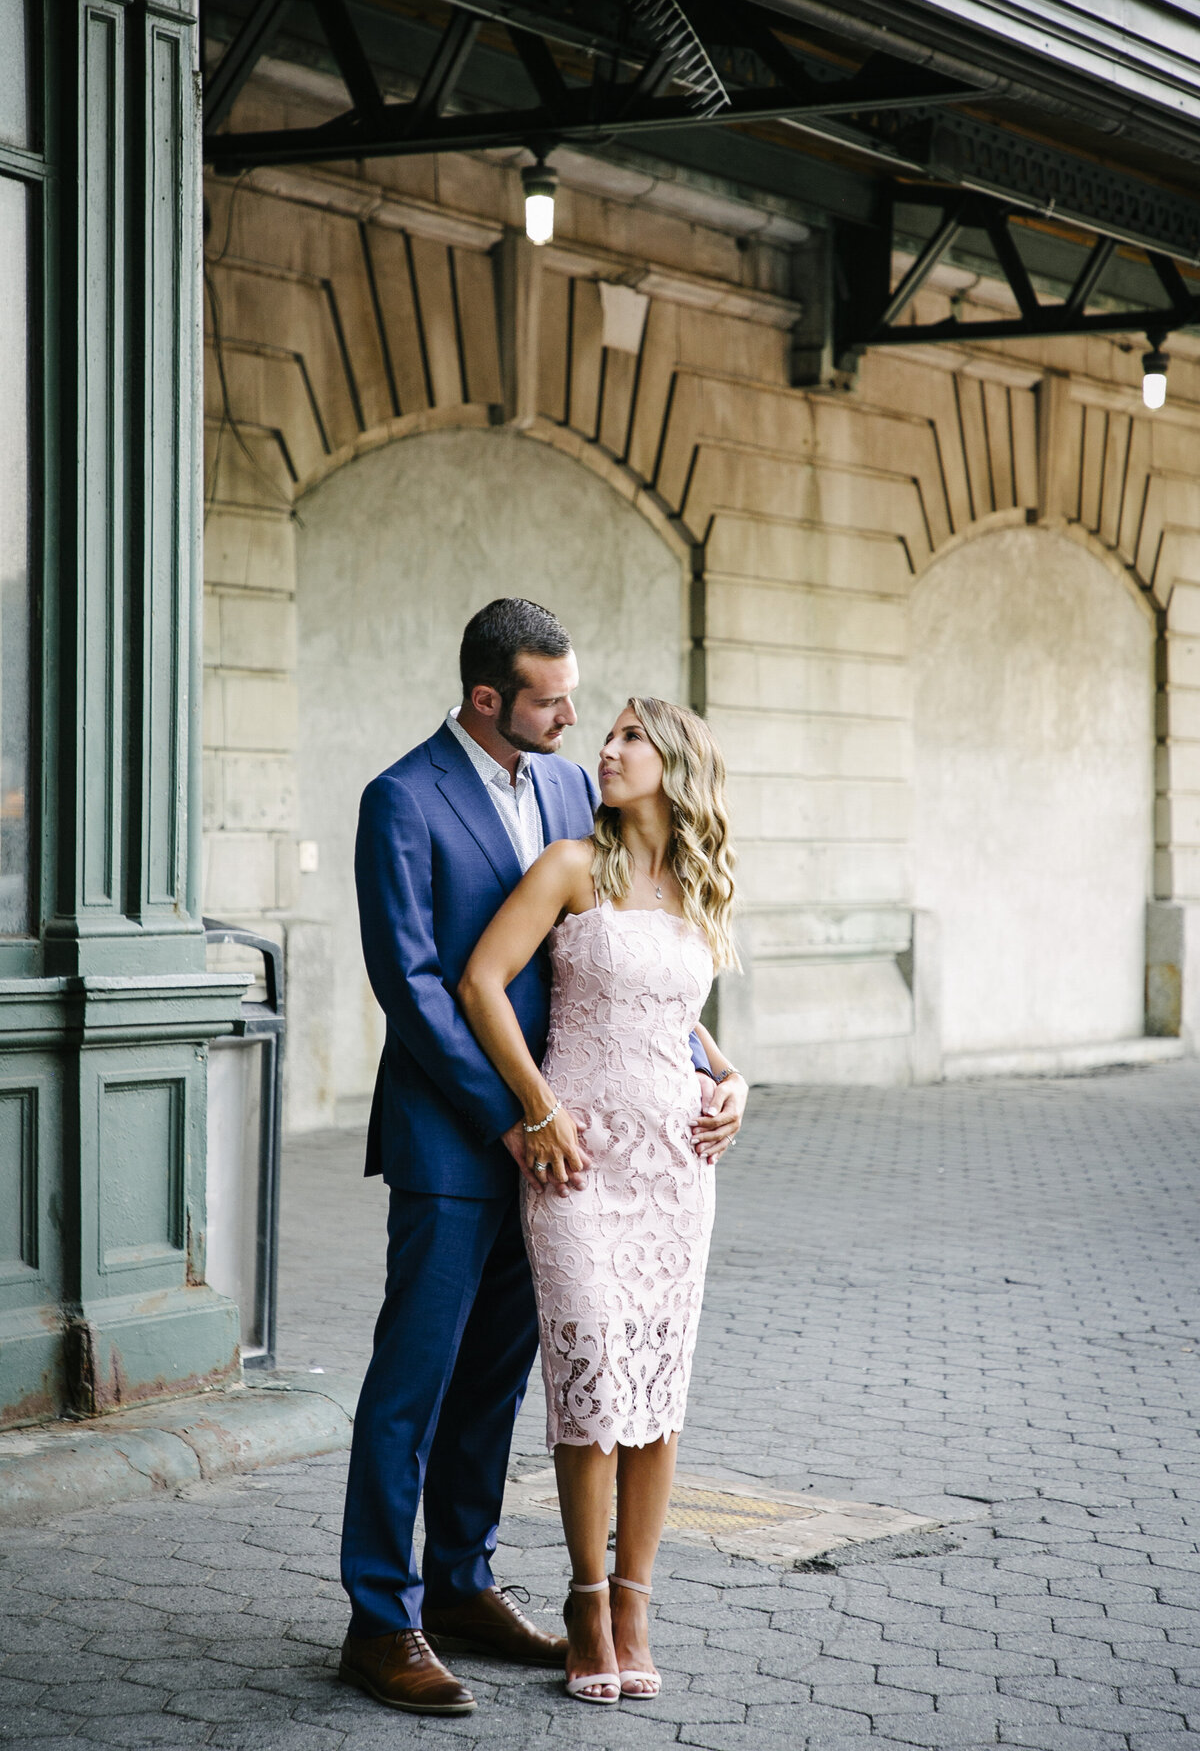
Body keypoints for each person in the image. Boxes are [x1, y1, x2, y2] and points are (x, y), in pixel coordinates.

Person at [338, 602, 730, 1717]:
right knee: (412, 1379)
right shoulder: (401, 799)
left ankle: (462, 1583)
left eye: (580, 699)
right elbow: (413, 983)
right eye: (553, 701)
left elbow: (627, 968)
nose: (576, 720)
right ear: (486, 701)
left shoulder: (573, 791)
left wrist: (714, 1072)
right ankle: (381, 1617)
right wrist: (517, 1115)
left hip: (579, 1155)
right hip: (460, 1138)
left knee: (502, 1381)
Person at [459, 696, 748, 1705]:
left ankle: (635, 1602)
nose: (608, 751)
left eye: (630, 737)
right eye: (610, 734)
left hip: (676, 1166)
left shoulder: (702, 884)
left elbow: (678, 1019)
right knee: (588, 1389)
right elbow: (482, 983)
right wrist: (537, 1108)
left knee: (657, 1398)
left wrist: (735, 1080)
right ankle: (585, 1601)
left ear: (674, 766)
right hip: (578, 1165)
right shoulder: (572, 867)